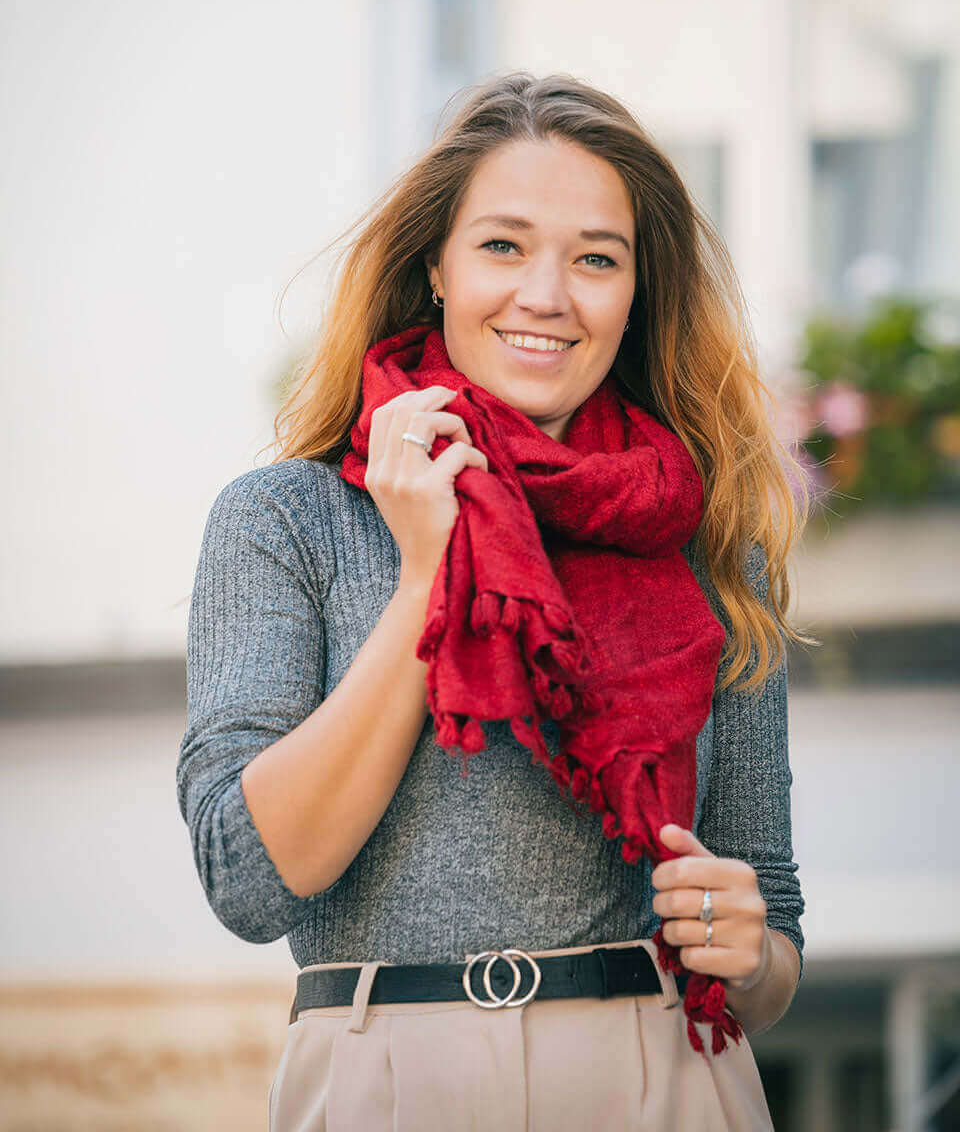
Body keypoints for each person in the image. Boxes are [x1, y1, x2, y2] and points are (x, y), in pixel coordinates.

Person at [177, 71, 813, 1131]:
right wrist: (432, 574)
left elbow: (771, 930)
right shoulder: (285, 520)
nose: (548, 294)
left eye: (597, 258)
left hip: (661, 1072)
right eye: (504, 245)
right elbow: (251, 879)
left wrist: (753, 955)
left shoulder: (708, 546)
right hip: (387, 1078)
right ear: (435, 264)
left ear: (636, 291)